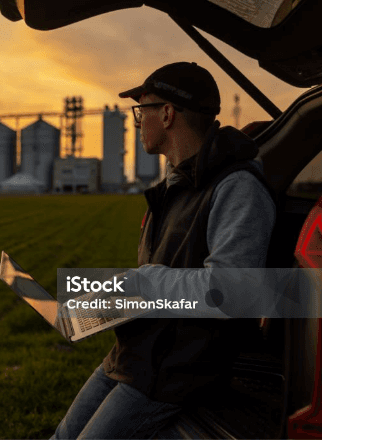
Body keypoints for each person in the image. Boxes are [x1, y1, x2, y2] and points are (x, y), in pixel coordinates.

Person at [50, 62, 276, 439]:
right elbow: (163, 285)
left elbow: (233, 292)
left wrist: (148, 283)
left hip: (173, 374)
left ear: (168, 114)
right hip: (135, 357)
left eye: (143, 110)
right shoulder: (177, 185)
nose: (137, 122)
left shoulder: (237, 188)